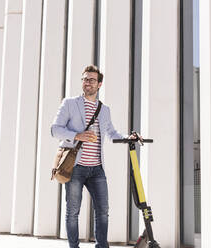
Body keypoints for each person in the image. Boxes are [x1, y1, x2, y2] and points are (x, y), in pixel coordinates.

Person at [51, 65, 131, 248]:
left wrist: (129, 138)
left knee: (103, 211)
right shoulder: (70, 103)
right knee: (72, 212)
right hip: (75, 167)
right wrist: (77, 135)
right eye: (85, 79)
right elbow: (55, 130)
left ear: (99, 84)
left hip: (97, 168)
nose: (87, 82)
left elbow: (112, 133)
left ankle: (102, 246)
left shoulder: (104, 110)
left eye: (92, 80)